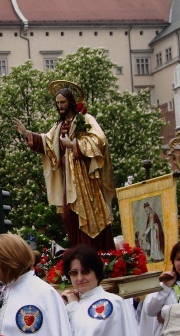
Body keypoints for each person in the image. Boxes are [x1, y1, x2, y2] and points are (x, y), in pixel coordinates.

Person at [13, 81, 115, 251]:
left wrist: (73, 144)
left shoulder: (85, 119)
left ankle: (95, 255)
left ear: (71, 103)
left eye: (63, 102)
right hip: (67, 181)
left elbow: (99, 140)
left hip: (84, 181)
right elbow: (47, 142)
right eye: (57, 103)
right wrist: (27, 134)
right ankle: (79, 254)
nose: (59, 106)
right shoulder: (58, 126)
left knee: (89, 217)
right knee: (69, 217)